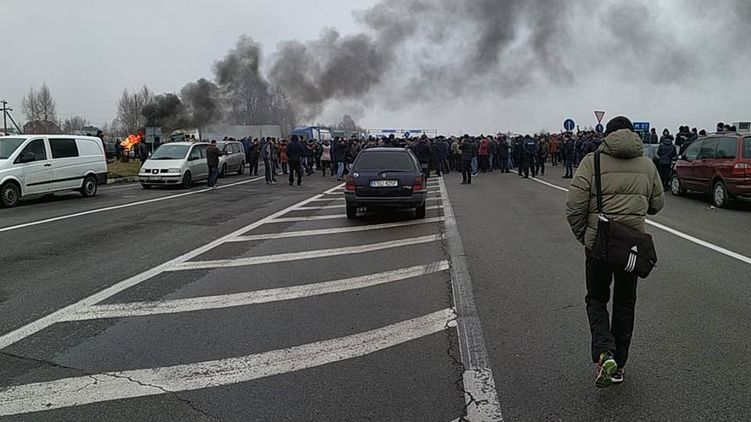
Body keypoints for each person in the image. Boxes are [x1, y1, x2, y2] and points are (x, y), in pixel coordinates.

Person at [565, 116, 664, 388]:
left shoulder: (591, 161)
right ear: (633, 134)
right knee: (625, 302)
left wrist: (585, 237)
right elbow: (657, 204)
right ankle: (618, 365)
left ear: (606, 135)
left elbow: (574, 206)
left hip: (599, 245)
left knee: (596, 299)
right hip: (631, 246)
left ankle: (604, 352)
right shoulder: (646, 163)